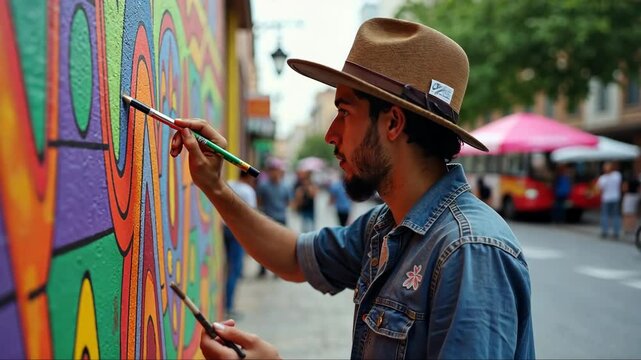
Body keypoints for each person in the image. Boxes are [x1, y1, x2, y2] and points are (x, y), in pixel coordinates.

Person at [170, 17, 535, 359]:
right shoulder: (385, 226)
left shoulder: (469, 251)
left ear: (393, 122)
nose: (330, 134)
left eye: (344, 112)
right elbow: (296, 258)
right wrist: (214, 186)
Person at [223, 170, 257, 318]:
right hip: (238, 230)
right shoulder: (248, 191)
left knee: (229, 266)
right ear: (248, 176)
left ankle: (226, 302)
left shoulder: (229, 184)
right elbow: (252, 215)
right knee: (235, 269)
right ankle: (229, 306)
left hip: (225, 228)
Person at [254, 157, 291, 277]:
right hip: (267, 219)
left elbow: (287, 202)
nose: (275, 173)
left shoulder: (285, 186)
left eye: (277, 170)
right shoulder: (263, 186)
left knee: (280, 247)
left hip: (281, 218)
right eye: (272, 170)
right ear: (269, 171)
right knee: (264, 246)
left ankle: (277, 270)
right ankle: (263, 269)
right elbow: (259, 201)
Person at [597, 161, 622, 239]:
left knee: (605, 215)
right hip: (615, 197)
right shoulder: (617, 175)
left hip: (607, 198)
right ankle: (616, 232)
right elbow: (619, 185)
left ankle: (605, 231)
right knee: (615, 215)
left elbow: (600, 189)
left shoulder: (602, 178)